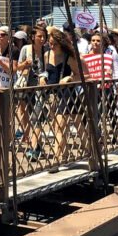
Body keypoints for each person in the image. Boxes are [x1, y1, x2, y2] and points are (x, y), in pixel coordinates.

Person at [41, 27, 83, 161]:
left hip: (68, 94)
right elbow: (46, 71)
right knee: (57, 126)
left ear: (61, 43)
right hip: (52, 94)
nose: (51, 46)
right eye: (50, 43)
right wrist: (42, 77)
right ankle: (63, 155)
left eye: (54, 44)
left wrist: (70, 78)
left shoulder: (69, 57)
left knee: (76, 127)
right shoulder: (47, 55)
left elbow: (80, 76)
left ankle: (57, 159)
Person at [16, 24, 48, 158]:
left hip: (41, 89)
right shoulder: (26, 49)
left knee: (36, 117)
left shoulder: (47, 51)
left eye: (44, 36)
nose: (42, 39)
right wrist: (25, 64)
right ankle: (39, 146)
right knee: (33, 117)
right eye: (39, 36)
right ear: (33, 37)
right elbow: (17, 68)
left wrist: (44, 76)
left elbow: (49, 69)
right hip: (28, 88)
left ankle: (34, 149)